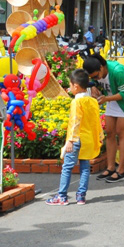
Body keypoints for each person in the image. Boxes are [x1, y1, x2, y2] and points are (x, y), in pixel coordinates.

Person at [47, 69, 103, 206]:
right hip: (89, 139)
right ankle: (81, 196)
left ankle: (62, 196)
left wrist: (70, 140)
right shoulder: (93, 101)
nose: (69, 88)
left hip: (77, 139)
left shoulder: (76, 103)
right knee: (85, 167)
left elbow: (75, 121)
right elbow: (97, 121)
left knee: (67, 167)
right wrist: (100, 136)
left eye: (70, 85)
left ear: (76, 86)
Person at [84, 54, 124, 183]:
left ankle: (121, 171)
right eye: (93, 77)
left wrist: (106, 99)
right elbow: (91, 82)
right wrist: (93, 87)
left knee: (121, 133)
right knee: (109, 133)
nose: (96, 78)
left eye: (97, 76)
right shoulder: (97, 71)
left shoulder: (117, 71)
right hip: (112, 100)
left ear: (102, 67)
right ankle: (110, 167)